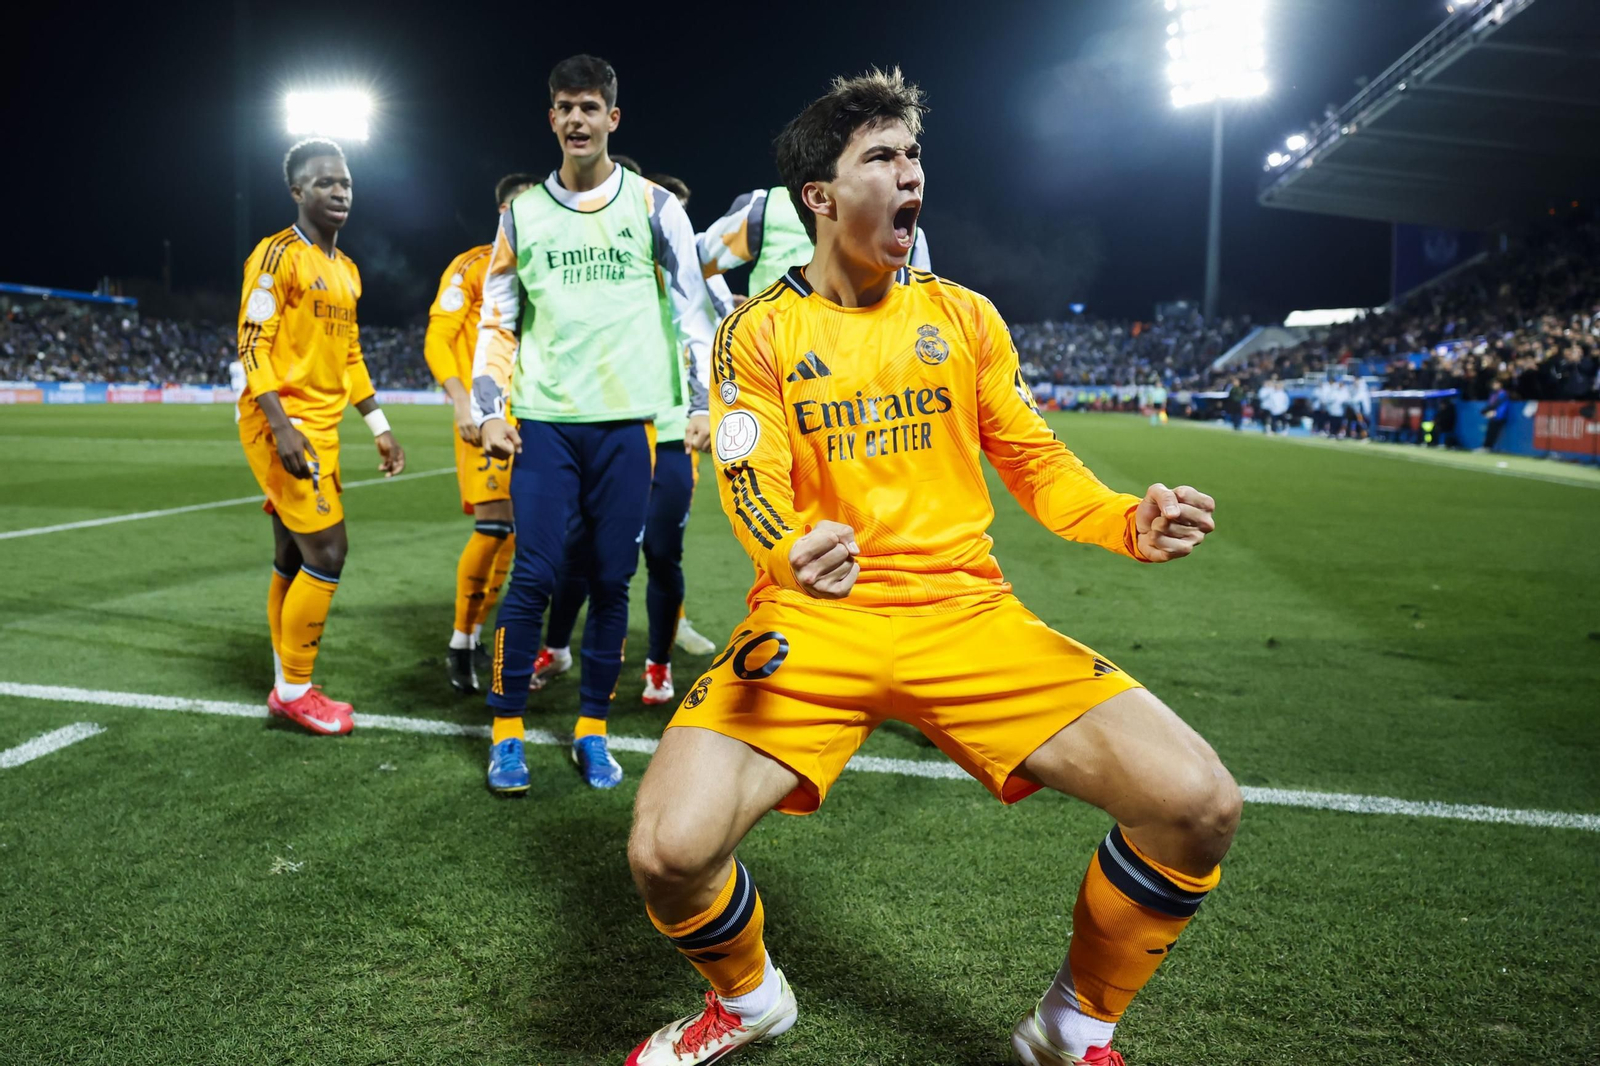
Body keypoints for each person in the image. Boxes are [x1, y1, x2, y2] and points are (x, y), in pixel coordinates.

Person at [623, 69, 1239, 1066]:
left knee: (1198, 804)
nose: (910, 174)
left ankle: (1073, 1027)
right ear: (819, 196)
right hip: (816, 621)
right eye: (881, 157)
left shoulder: (964, 317)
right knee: (666, 850)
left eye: (913, 155)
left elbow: (1034, 460)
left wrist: (1129, 519)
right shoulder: (757, 333)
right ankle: (745, 1000)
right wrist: (790, 544)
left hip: (966, 616)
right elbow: (747, 476)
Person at [470, 55, 717, 794]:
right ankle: (507, 732)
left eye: (590, 107)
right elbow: (498, 320)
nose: (577, 119)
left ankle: (592, 731)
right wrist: (489, 411)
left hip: (628, 429)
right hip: (545, 427)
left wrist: (705, 401)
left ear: (613, 117)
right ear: (551, 119)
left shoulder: (653, 207)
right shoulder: (521, 214)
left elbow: (694, 312)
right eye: (564, 107)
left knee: (613, 580)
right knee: (536, 576)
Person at [534, 171, 726, 706]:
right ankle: (557, 647)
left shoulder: (699, 279)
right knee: (581, 550)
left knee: (663, 555)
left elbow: (723, 332)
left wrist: (706, 406)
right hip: (608, 424)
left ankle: (659, 665)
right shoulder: (610, 267)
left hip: (668, 435)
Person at [236, 138, 406, 736]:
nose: (339, 192)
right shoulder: (276, 255)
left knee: (291, 555)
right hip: (284, 424)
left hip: (324, 427)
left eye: (347, 184)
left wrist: (379, 427)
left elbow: (351, 355)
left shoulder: (347, 271)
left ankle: (286, 679)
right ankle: (295, 692)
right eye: (325, 182)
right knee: (329, 553)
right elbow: (252, 343)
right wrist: (280, 424)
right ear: (297, 191)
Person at [425, 173, 539, 695]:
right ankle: (461, 642)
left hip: (541, 415)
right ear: (500, 212)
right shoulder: (472, 265)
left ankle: (502, 642)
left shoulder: (544, 268)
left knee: (521, 538)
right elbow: (439, 338)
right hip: (490, 413)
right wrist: (463, 401)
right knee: (493, 528)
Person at [697, 178, 931, 297]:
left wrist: (724, 310)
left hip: (783, 369)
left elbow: (694, 264)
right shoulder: (910, 229)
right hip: (879, 379)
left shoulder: (764, 207)